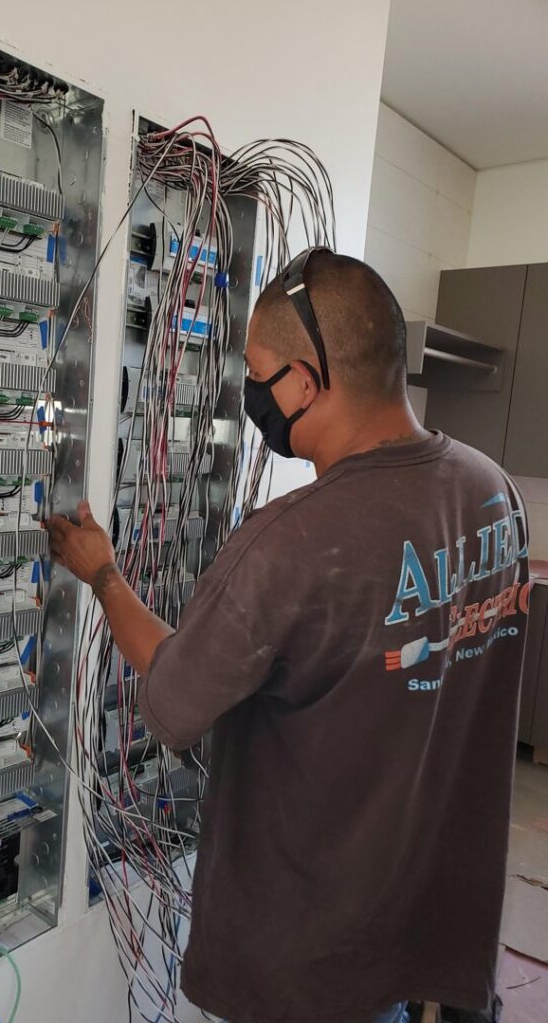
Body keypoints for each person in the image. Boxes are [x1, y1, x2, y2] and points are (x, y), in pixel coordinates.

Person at [46, 249, 529, 1023]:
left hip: (314, 963)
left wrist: (103, 575)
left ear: (306, 381)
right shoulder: (492, 490)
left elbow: (173, 697)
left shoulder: (292, 540)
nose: (252, 395)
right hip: (431, 934)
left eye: (258, 373)